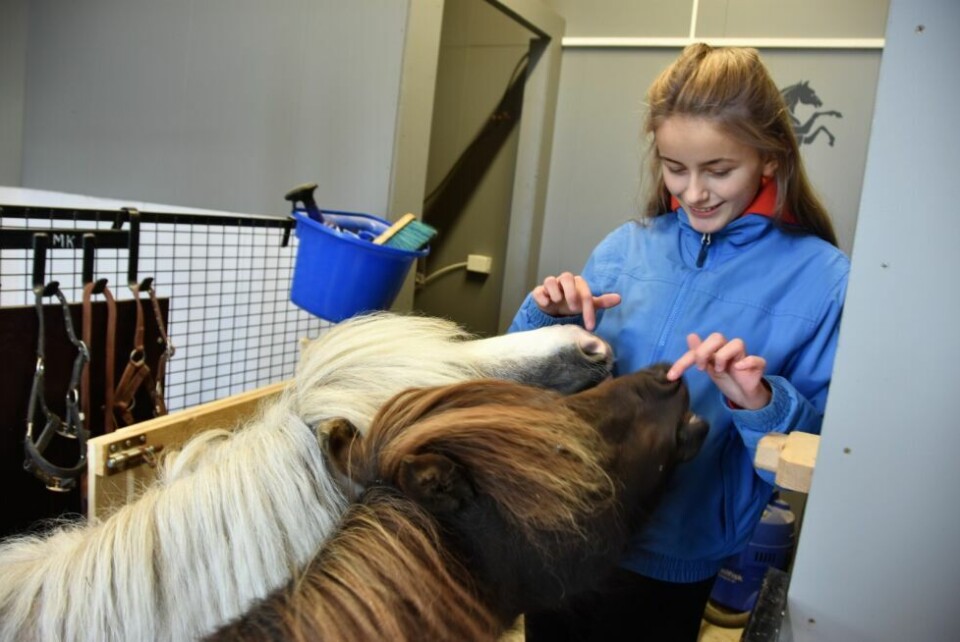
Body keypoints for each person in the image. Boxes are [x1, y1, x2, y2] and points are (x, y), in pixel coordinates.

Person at [510, 43, 849, 641]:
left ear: (770, 157)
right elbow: (528, 385)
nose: (694, 192)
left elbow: (819, 447)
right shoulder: (625, 246)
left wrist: (758, 400)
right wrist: (547, 319)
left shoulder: (823, 280)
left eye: (719, 170)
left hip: (676, 554)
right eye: (675, 168)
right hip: (567, 526)